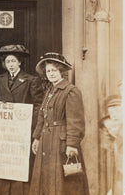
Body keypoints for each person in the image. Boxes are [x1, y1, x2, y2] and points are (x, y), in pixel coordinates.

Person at [0, 44, 43, 195]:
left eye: (13, 61)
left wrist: (29, 124)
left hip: (21, 132)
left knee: (19, 167)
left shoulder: (31, 80)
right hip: (3, 133)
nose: (10, 64)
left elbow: (38, 105)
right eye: (8, 61)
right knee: (2, 166)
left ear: (20, 62)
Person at [29, 52, 89, 195]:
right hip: (46, 142)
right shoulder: (50, 91)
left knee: (61, 183)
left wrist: (72, 145)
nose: (51, 74)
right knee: (45, 180)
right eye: (48, 71)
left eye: (54, 70)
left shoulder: (71, 91)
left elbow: (76, 121)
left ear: (61, 72)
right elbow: (42, 118)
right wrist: (37, 138)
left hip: (60, 144)